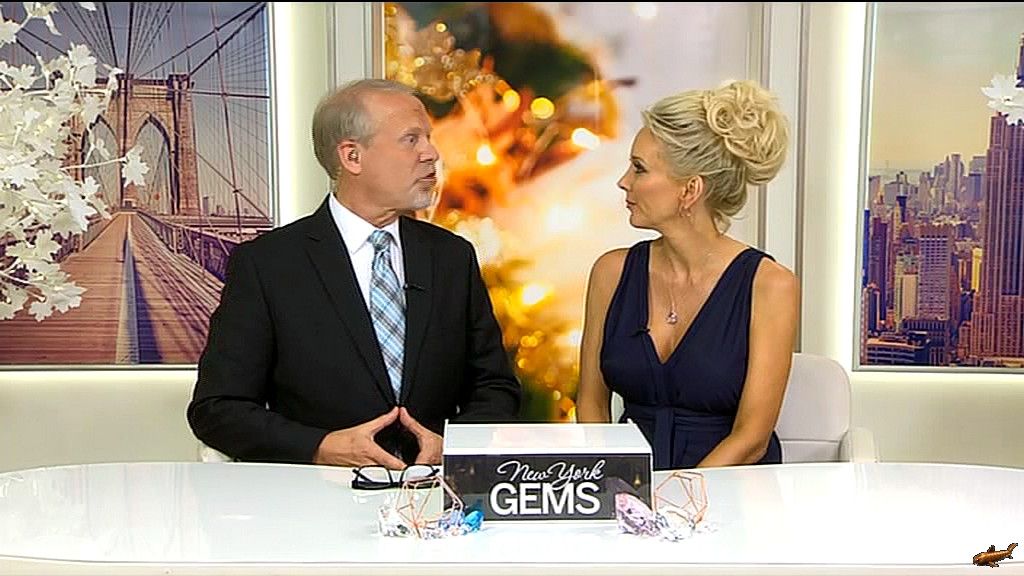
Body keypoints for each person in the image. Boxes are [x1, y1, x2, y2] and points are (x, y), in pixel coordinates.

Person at [188, 79, 521, 469]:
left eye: (428, 138)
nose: (431, 153)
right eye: (411, 139)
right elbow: (217, 409)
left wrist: (452, 447)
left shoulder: (451, 257)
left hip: (431, 492)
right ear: (352, 157)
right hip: (314, 495)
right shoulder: (268, 264)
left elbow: (495, 389)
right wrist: (321, 447)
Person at [575, 80, 799, 470]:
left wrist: (677, 496)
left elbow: (751, 439)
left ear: (690, 189)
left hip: (731, 490)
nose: (624, 181)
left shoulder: (770, 285)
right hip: (631, 488)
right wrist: (615, 482)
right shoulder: (611, 272)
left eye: (639, 168)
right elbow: (591, 403)